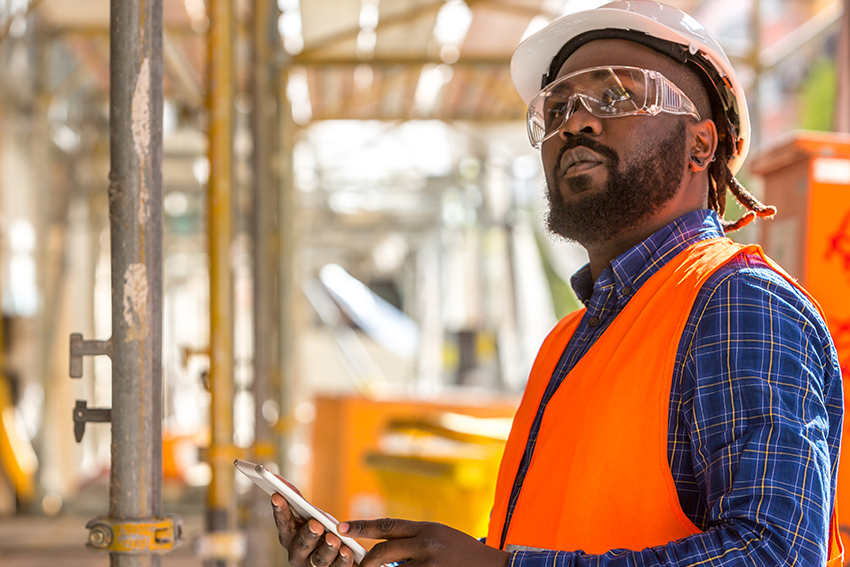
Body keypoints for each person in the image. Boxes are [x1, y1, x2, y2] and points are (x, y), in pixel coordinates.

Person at [272, 2, 845, 566]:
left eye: (618, 94)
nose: (575, 120)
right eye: (558, 108)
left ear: (701, 145)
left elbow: (776, 552)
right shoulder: (569, 340)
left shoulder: (739, 304)